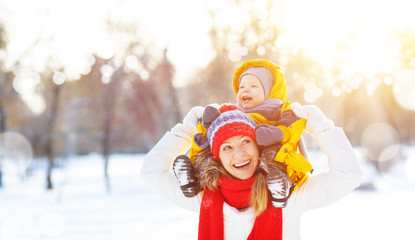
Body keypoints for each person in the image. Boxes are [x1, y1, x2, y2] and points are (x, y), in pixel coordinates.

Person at [140, 103, 362, 240]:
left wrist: (319, 126)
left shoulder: (289, 196)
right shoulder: (204, 198)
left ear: (258, 146)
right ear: (217, 157)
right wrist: (186, 131)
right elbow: (151, 172)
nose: (239, 154)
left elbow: (348, 175)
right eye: (227, 147)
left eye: (246, 141)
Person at [172, 59, 312, 208]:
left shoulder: (280, 110)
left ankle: (281, 187)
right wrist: (208, 125)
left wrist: (278, 132)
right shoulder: (233, 111)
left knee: (274, 153)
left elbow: (295, 125)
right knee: (212, 153)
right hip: (247, 156)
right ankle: (193, 179)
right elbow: (218, 126)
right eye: (242, 87)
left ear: (269, 91)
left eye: (253, 86)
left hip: (272, 155)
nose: (245, 90)